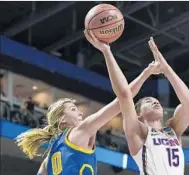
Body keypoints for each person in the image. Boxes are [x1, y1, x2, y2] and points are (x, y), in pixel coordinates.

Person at [15, 34, 162, 175]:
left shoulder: (51, 155)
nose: (80, 113)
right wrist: (145, 72)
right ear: (62, 119)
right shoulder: (81, 131)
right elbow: (122, 99)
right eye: (73, 109)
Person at [85, 31, 189, 175]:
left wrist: (166, 69)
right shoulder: (138, 131)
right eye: (149, 101)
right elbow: (124, 95)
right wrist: (107, 51)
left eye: (157, 102)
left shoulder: (173, 130)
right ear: (138, 114)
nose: (156, 103)